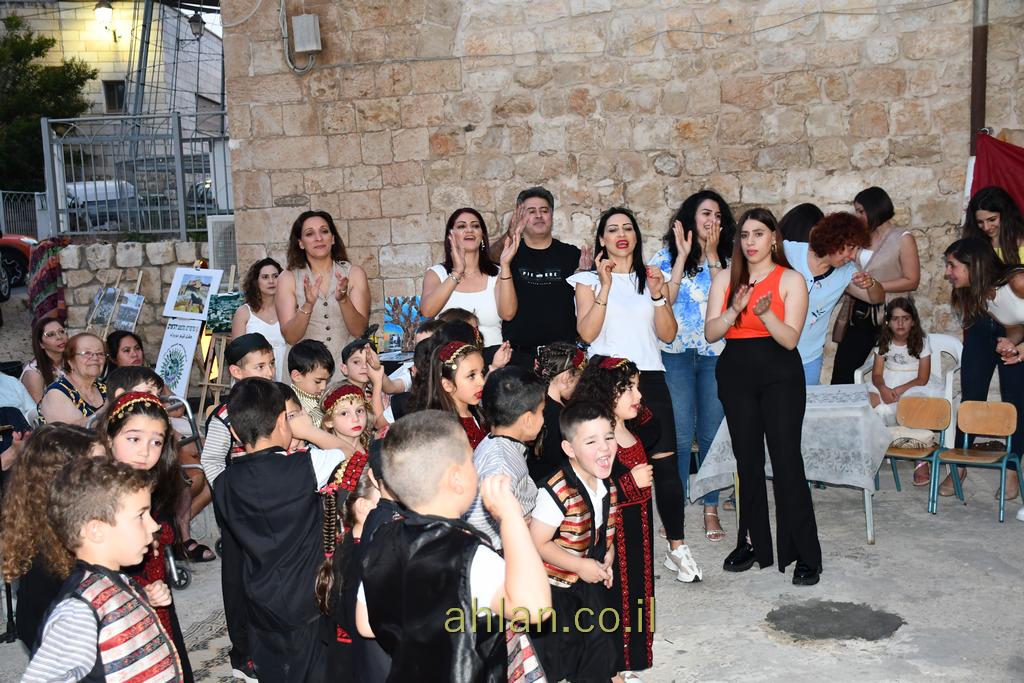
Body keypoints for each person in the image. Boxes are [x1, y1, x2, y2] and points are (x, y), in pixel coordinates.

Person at [355, 410, 551, 680]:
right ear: (457, 478)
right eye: (471, 460)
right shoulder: (469, 555)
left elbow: (365, 624)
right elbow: (536, 608)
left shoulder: (382, 538)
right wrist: (511, 518)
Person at [567, 207, 693, 580]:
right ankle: (605, 546)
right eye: (612, 229)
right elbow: (587, 334)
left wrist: (657, 296)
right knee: (607, 464)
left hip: (649, 378)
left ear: (636, 236)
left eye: (628, 228)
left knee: (665, 463)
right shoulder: (587, 280)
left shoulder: (652, 278)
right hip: (605, 382)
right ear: (602, 239)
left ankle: (677, 547)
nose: (621, 235)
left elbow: (667, 334)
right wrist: (605, 287)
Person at [705, 207, 820, 585]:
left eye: (758, 234)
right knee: (747, 463)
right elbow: (711, 333)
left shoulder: (791, 279)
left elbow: (790, 339)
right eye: (744, 235)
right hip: (735, 373)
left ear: (774, 239)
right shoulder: (726, 279)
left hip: (780, 375)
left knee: (787, 462)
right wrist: (734, 310)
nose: (750, 242)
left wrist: (766, 314)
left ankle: (805, 554)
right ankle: (752, 542)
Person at [214, 378, 346, 682]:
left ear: (234, 433)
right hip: (309, 598)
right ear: (282, 422)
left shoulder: (223, 483)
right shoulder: (308, 465)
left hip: (260, 600)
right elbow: (351, 453)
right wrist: (308, 431)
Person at [22, 457, 183, 682]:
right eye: (140, 515)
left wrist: (145, 599)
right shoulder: (77, 613)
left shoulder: (116, 581)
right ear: (96, 530)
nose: (154, 525)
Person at [650, 190, 735, 541]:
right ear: (690, 217)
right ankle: (677, 510)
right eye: (706, 213)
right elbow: (662, 301)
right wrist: (682, 256)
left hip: (715, 355)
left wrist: (712, 256)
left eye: (717, 215)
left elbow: (729, 301)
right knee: (681, 435)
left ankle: (710, 508)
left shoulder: (729, 260)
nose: (712, 220)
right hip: (676, 354)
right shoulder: (664, 257)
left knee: (712, 435)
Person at [98, 391, 195, 681]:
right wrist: (139, 593)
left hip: (155, 585)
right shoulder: (96, 490)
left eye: (156, 442)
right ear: (109, 438)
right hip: (118, 602)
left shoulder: (154, 481)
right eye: (134, 439)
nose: (145, 451)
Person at [573, 356, 660, 674]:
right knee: (615, 598)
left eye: (638, 387)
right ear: (607, 393)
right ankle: (614, 666)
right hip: (613, 537)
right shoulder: (600, 440)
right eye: (629, 389)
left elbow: (656, 425)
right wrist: (629, 483)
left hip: (640, 531)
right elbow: (587, 488)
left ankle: (635, 657)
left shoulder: (630, 428)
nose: (639, 396)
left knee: (641, 591)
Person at [199, 332, 276, 682]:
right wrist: (229, 496)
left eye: (271, 363)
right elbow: (212, 460)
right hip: (239, 511)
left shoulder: (278, 400)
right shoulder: (225, 416)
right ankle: (243, 652)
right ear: (236, 371)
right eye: (259, 366)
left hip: (275, 504)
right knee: (239, 580)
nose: (269, 371)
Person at [528, 400, 618, 683]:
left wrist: (608, 552)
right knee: (559, 654)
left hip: (587, 583)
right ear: (569, 449)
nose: (604, 448)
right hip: (555, 591)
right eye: (591, 441)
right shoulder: (556, 491)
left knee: (597, 647)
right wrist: (579, 566)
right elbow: (538, 543)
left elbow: (602, 527)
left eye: (609, 437)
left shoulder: (606, 483)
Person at [0, 424, 105, 651]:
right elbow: (37, 628)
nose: (108, 473)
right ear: (63, 478)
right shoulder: (49, 551)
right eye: (96, 466)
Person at [943, 238, 1024, 500]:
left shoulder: (1017, 281)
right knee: (971, 398)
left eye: (952, 265)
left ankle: (1012, 472)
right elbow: (1015, 323)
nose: (947, 272)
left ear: (973, 265)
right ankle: (959, 465)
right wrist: (1011, 342)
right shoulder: (981, 294)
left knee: (1016, 402)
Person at [831, 186, 921, 383]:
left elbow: (912, 280)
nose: (857, 216)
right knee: (843, 371)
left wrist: (875, 286)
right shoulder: (859, 237)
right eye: (856, 211)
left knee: (892, 371)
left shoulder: (903, 238)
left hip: (890, 312)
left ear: (875, 208)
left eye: (860, 211)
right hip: (859, 312)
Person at [492, 187, 587, 370]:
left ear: (552, 215)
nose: (538, 216)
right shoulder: (509, 253)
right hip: (518, 357)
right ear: (520, 216)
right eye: (531, 211)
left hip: (563, 358)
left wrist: (584, 274)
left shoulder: (572, 255)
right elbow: (487, 259)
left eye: (544, 210)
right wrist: (510, 233)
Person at [783, 212, 884, 384]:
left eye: (857, 250)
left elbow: (876, 299)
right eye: (850, 248)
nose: (853, 256)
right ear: (833, 239)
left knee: (807, 402)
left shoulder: (846, 272)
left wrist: (871, 284)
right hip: (773, 353)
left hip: (809, 360)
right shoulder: (790, 252)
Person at [276, 210, 371, 382]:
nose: (318, 238)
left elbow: (359, 331)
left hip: (347, 370)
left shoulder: (354, 273)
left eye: (324, 231)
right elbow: (290, 336)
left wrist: (344, 300)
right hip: (304, 374)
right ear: (300, 243)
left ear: (333, 238)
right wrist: (308, 305)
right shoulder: (288, 278)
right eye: (310, 234)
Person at [463, 366, 546, 550]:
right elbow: (477, 522)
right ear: (528, 420)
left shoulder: (498, 442)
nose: (543, 418)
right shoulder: (500, 466)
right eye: (542, 411)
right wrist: (515, 528)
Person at [316, 451, 379, 681]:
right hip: (358, 663)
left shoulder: (346, 544)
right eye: (383, 493)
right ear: (363, 505)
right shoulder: (362, 557)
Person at [420, 207, 520, 351]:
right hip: (449, 358)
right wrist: (457, 272)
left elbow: (508, 314)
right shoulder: (436, 274)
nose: (469, 230)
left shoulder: (498, 273)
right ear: (451, 235)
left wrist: (505, 265)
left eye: (475, 226)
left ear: (482, 235)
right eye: (462, 226)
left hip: (493, 357)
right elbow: (427, 311)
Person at [867, 298, 944, 428]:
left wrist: (898, 390)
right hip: (887, 382)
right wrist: (883, 389)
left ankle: (903, 433)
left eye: (905, 318)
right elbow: (877, 374)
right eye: (895, 319)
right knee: (867, 401)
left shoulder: (922, 344)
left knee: (911, 405)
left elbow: (922, 379)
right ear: (888, 322)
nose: (900, 323)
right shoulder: (883, 343)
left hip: (913, 384)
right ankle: (878, 432)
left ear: (913, 321)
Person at [410, 340, 488, 448]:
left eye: (482, 373)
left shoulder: (480, 413)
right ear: (447, 385)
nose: (482, 382)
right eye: (471, 376)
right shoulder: (441, 432)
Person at [533, 341, 586, 483]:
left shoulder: (537, 402)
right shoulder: (558, 415)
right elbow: (560, 461)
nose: (579, 385)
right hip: (553, 482)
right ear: (566, 378)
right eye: (578, 379)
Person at [233, 257, 288, 381]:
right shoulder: (244, 312)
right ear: (256, 282)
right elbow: (237, 354)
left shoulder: (289, 310)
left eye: (275, 276)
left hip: (285, 374)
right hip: (254, 379)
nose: (271, 281)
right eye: (265, 277)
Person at [38, 333, 108, 426]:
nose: (95, 358)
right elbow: (73, 431)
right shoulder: (57, 393)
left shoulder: (104, 389)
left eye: (100, 354)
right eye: (87, 353)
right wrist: (109, 407)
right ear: (70, 361)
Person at [962, 185, 1024, 265]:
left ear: (1006, 216)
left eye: (992, 220)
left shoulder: (1021, 244)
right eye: (980, 222)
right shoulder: (973, 245)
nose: (986, 227)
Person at [288, 339, 335, 428]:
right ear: (296, 376)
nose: (323, 386)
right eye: (318, 381)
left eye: (327, 381)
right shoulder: (292, 407)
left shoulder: (324, 397)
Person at [21, 316, 67, 403]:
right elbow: (38, 408)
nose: (59, 337)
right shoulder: (34, 374)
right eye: (50, 334)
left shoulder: (71, 361)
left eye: (61, 331)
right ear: (41, 344)